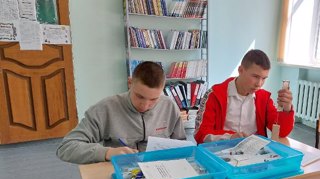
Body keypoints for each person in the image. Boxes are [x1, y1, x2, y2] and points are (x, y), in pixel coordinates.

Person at [57, 61, 186, 164]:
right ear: (130, 83)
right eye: (140, 96)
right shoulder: (105, 109)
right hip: (119, 173)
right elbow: (66, 147)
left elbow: (181, 146)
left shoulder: (169, 106)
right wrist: (107, 153)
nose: (145, 105)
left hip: (161, 172)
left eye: (154, 99)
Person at [194, 49, 294, 144]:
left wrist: (286, 109)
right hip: (222, 151)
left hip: (254, 153)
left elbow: (281, 132)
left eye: (264, 78)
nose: (259, 84)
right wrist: (231, 138)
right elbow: (200, 135)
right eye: (255, 77)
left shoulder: (264, 98)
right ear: (241, 70)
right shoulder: (214, 95)